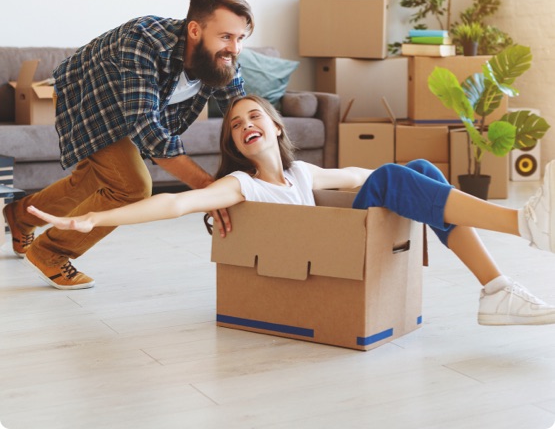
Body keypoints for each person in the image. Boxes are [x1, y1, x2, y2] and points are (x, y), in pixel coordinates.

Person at [27, 94, 555, 326]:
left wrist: (415, 185)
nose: (244, 125)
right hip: (333, 247)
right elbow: (176, 202)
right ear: (237, 144)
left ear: (277, 128)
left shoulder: (305, 175)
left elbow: (360, 178)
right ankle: (524, 224)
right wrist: (94, 218)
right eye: (235, 125)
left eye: (254, 115)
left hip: (342, 235)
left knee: (414, 169)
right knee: (398, 176)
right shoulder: (240, 184)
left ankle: (495, 290)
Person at [2, 0, 254, 289]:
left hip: (132, 105)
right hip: (89, 95)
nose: (234, 48)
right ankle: (50, 252)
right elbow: (149, 131)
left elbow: (244, 114)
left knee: (95, 180)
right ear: (195, 30)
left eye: (240, 38)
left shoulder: (222, 59)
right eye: (226, 36)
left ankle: (21, 215)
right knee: (132, 187)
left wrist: (264, 169)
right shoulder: (144, 40)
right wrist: (209, 190)